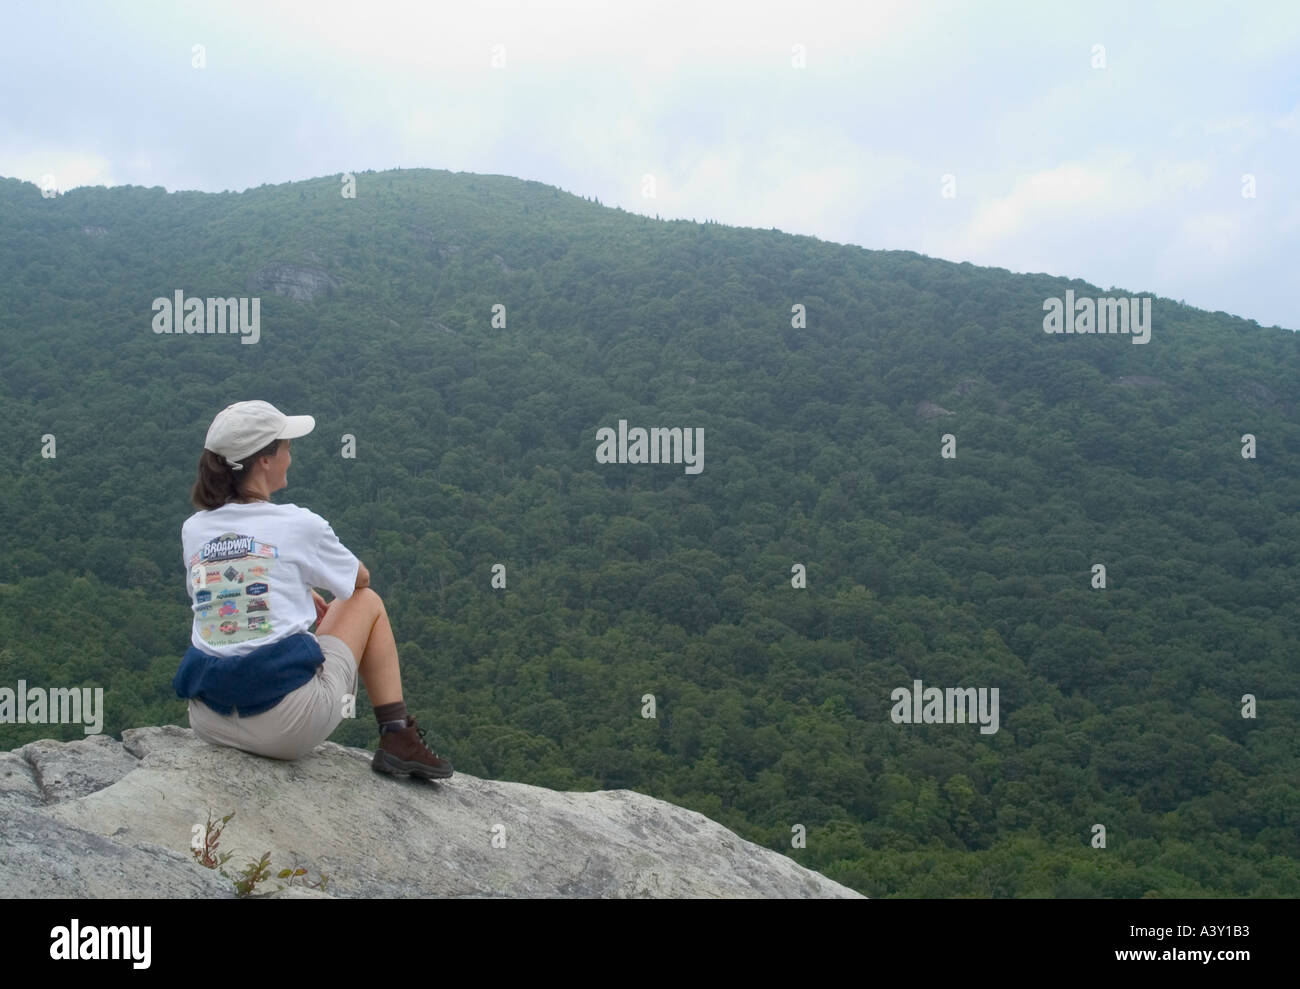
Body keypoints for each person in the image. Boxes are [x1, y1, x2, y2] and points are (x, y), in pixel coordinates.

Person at [173, 400, 452, 780]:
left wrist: (296, 591)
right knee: (366, 603)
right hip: (285, 729)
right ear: (265, 461)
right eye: (286, 446)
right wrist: (308, 583)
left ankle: (398, 737)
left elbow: (229, 595)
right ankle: (398, 736)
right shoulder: (299, 523)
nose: (291, 455)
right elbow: (360, 581)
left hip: (208, 720)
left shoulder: (194, 528)